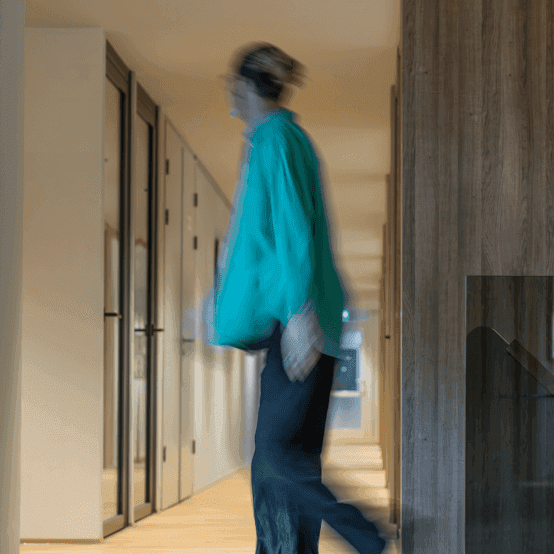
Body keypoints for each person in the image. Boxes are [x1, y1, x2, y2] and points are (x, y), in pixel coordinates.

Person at [203, 42, 389, 554]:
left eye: (233, 84)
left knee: (275, 460)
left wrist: (298, 313)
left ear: (246, 87)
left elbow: (292, 229)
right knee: (291, 460)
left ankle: (365, 534)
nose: (229, 93)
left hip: (299, 321)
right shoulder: (285, 138)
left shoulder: (276, 139)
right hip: (305, 319)